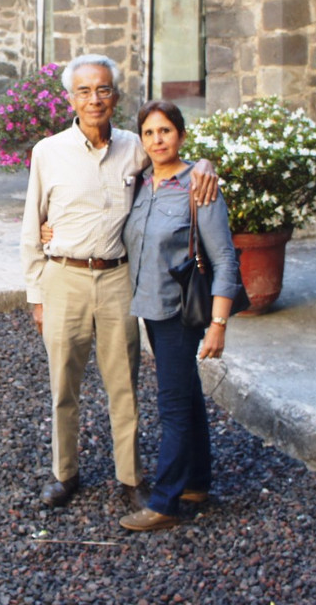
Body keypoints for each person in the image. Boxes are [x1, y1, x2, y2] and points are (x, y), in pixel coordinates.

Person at [20, 55, 218, 509]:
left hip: (116, 279)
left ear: (115, 96)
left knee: (123, 385)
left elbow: (175, 156)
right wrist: (37, 295)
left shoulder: (135, 147)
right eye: (85, 91)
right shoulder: (47, 152)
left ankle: (130, 478)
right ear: (70, 98)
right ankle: (63, 473)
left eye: (104, 90)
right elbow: (33, 227)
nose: (95, 99)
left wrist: (206, 163)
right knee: (62, 387)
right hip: (63, 278)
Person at [118, 99, 242, 531]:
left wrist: (219, 325)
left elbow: (225, 259)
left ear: (181, 136)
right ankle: (197, 482)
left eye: (165, 131)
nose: (157, 140)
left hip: (178, 312)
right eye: (149, 133)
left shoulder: (200, 187)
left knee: (172, 405)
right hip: (148, 307)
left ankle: (166, 502)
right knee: (187, 394)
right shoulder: (140, 182)